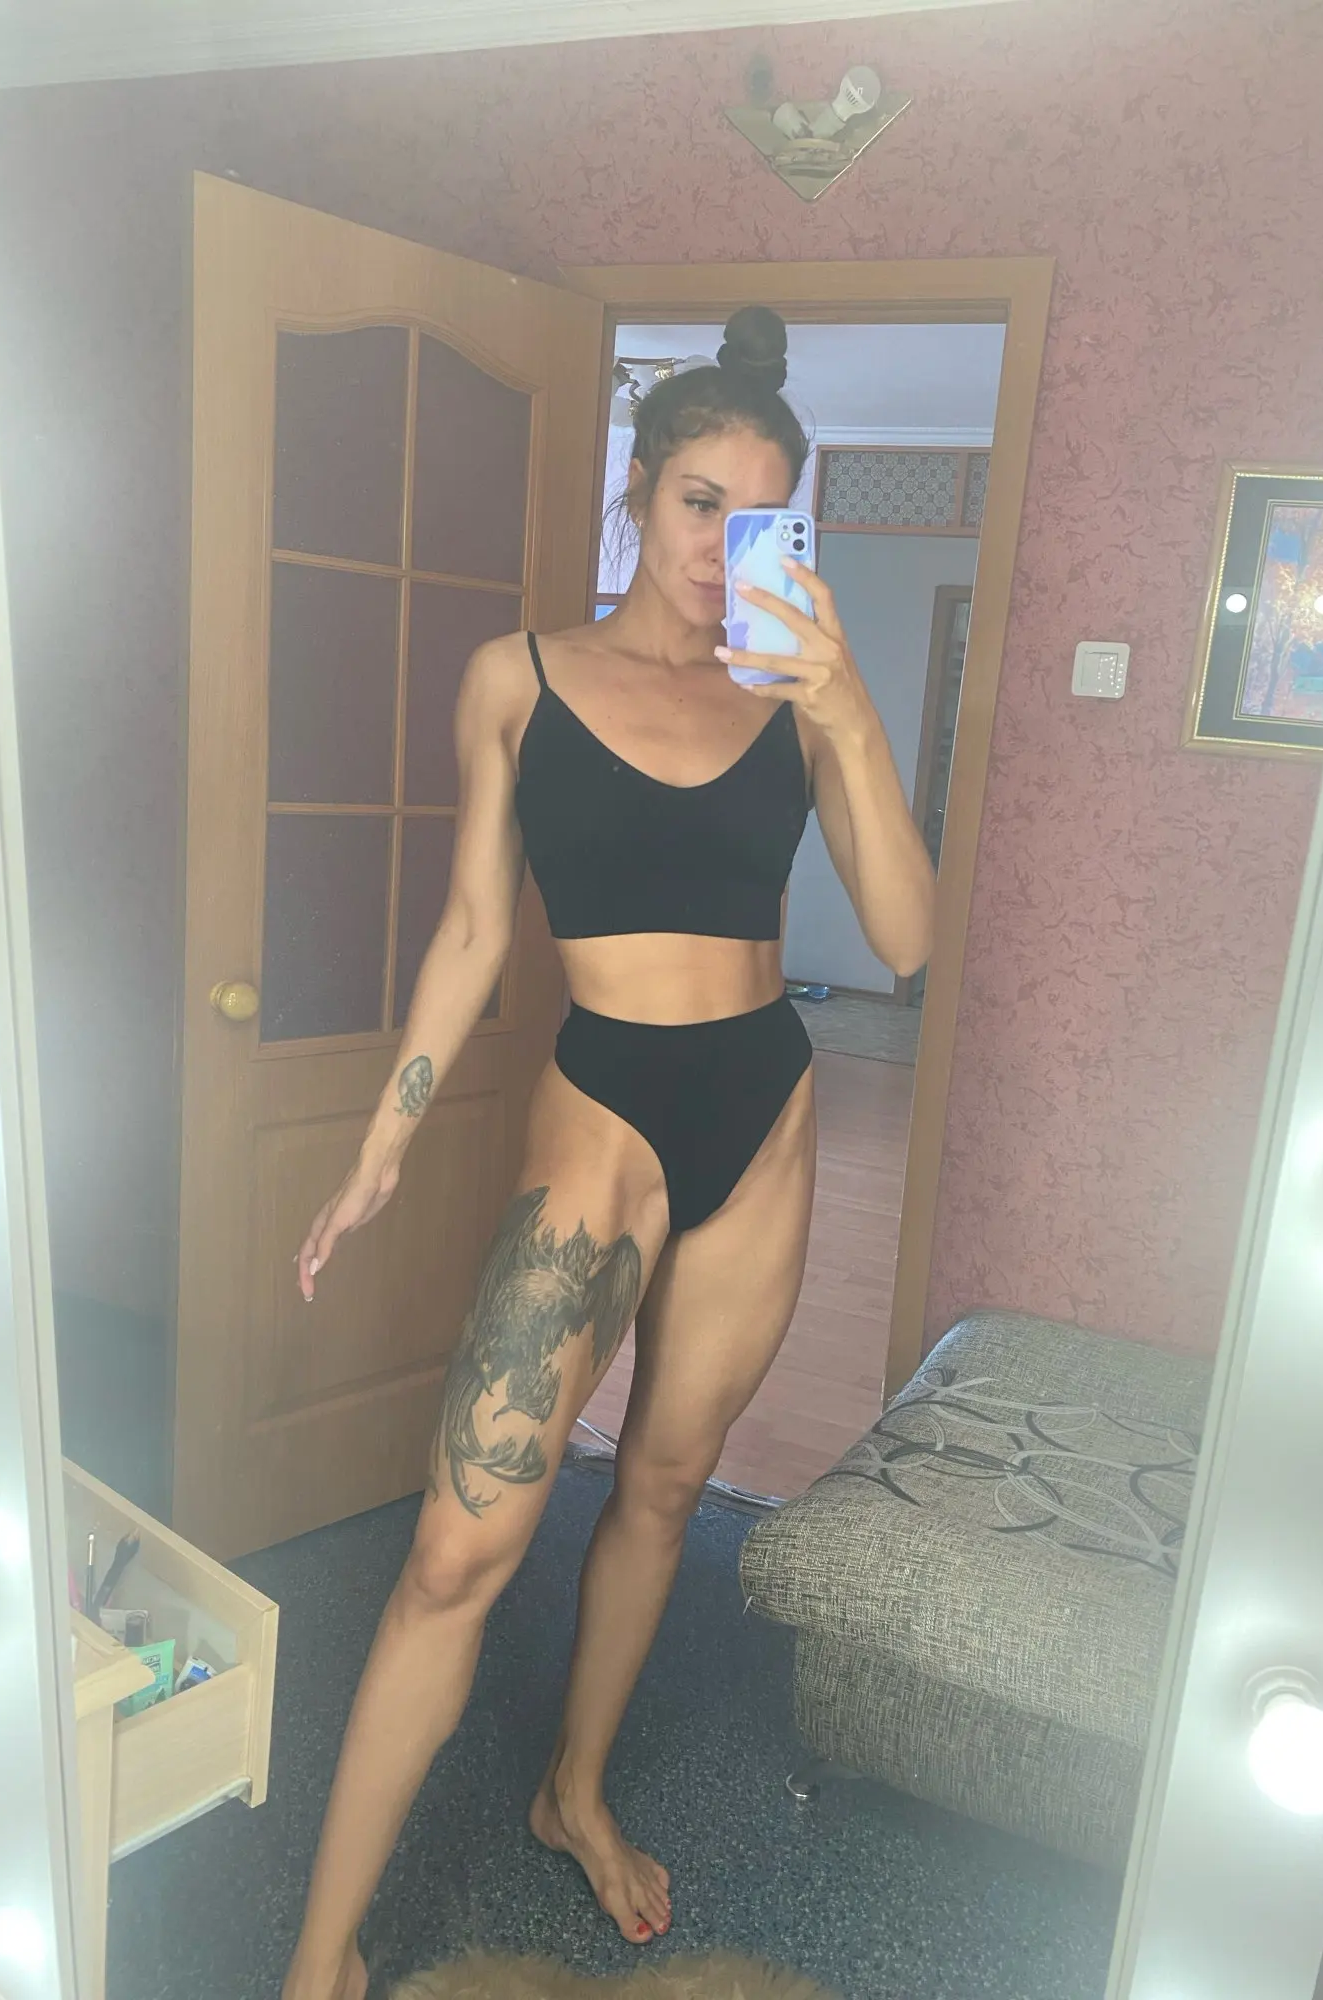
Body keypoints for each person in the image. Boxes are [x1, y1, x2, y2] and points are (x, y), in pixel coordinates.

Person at [282, 306, 936, 2000]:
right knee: (457, 1549)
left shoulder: (799, 701)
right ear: (640, 495)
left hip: (764, 1107)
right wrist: (381, 1144)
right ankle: (319, 1957)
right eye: (701, 503)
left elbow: (907, 937)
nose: (725, 547)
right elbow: (471, 931)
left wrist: (854, 709)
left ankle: (574, 1792)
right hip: (603, 1109)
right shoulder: (518, 678)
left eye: (764, 518)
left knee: (661, 1484)